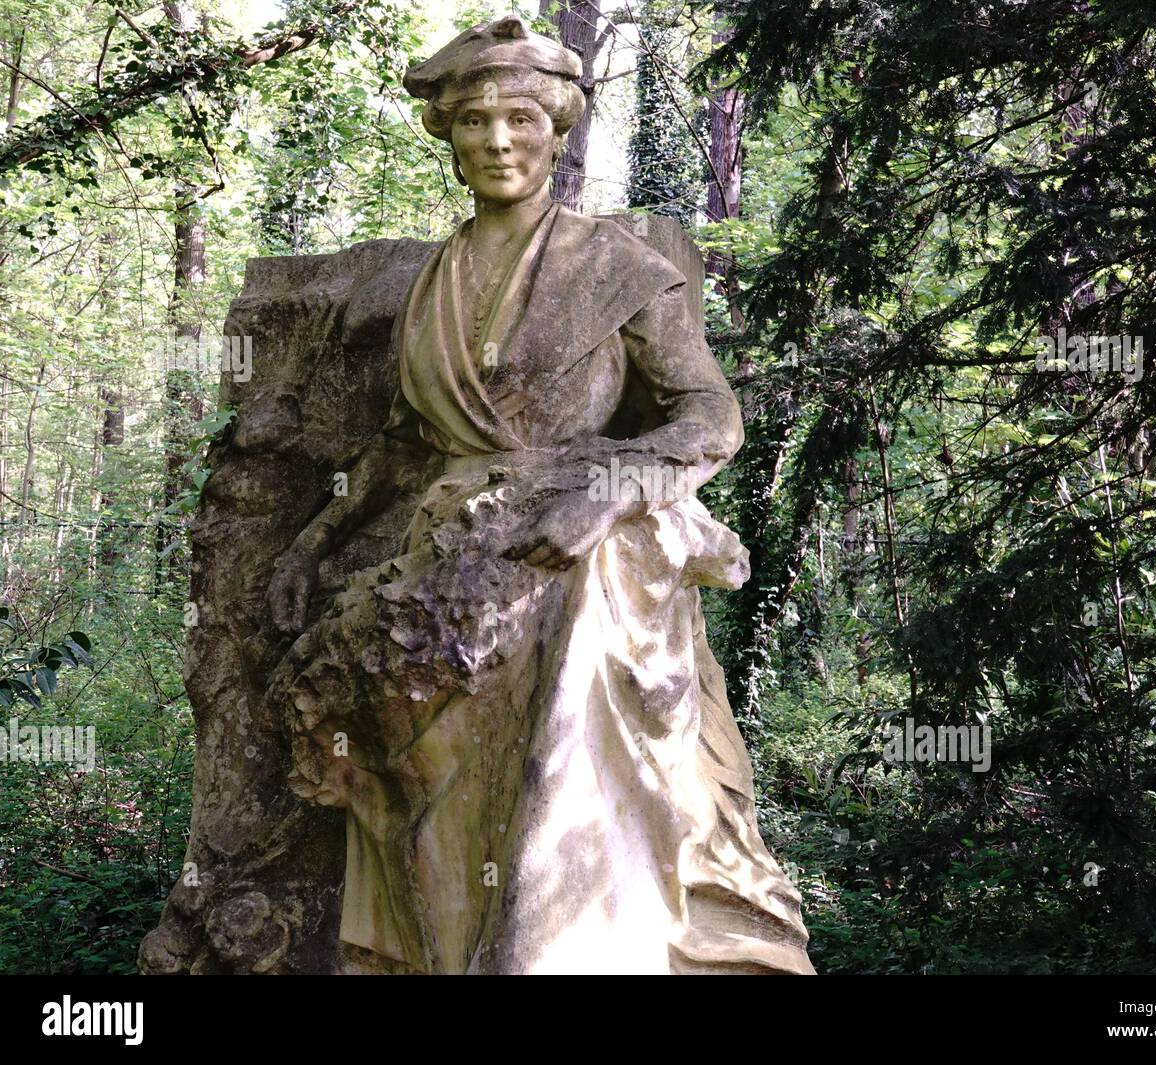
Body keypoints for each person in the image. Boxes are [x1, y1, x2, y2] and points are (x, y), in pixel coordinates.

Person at [263, 16, 813, 975]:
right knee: (433, 806)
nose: (498, 140)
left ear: (557, 133)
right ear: (451, 137)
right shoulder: (429, 284)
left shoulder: (620, 268)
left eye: (520, 118)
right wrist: (314, 541)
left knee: (553, 772)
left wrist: (610, 496)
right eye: (475, 121)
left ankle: (557, 953)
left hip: (574, 549)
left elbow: (708, 416)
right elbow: (403, 445)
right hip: (450, 557)